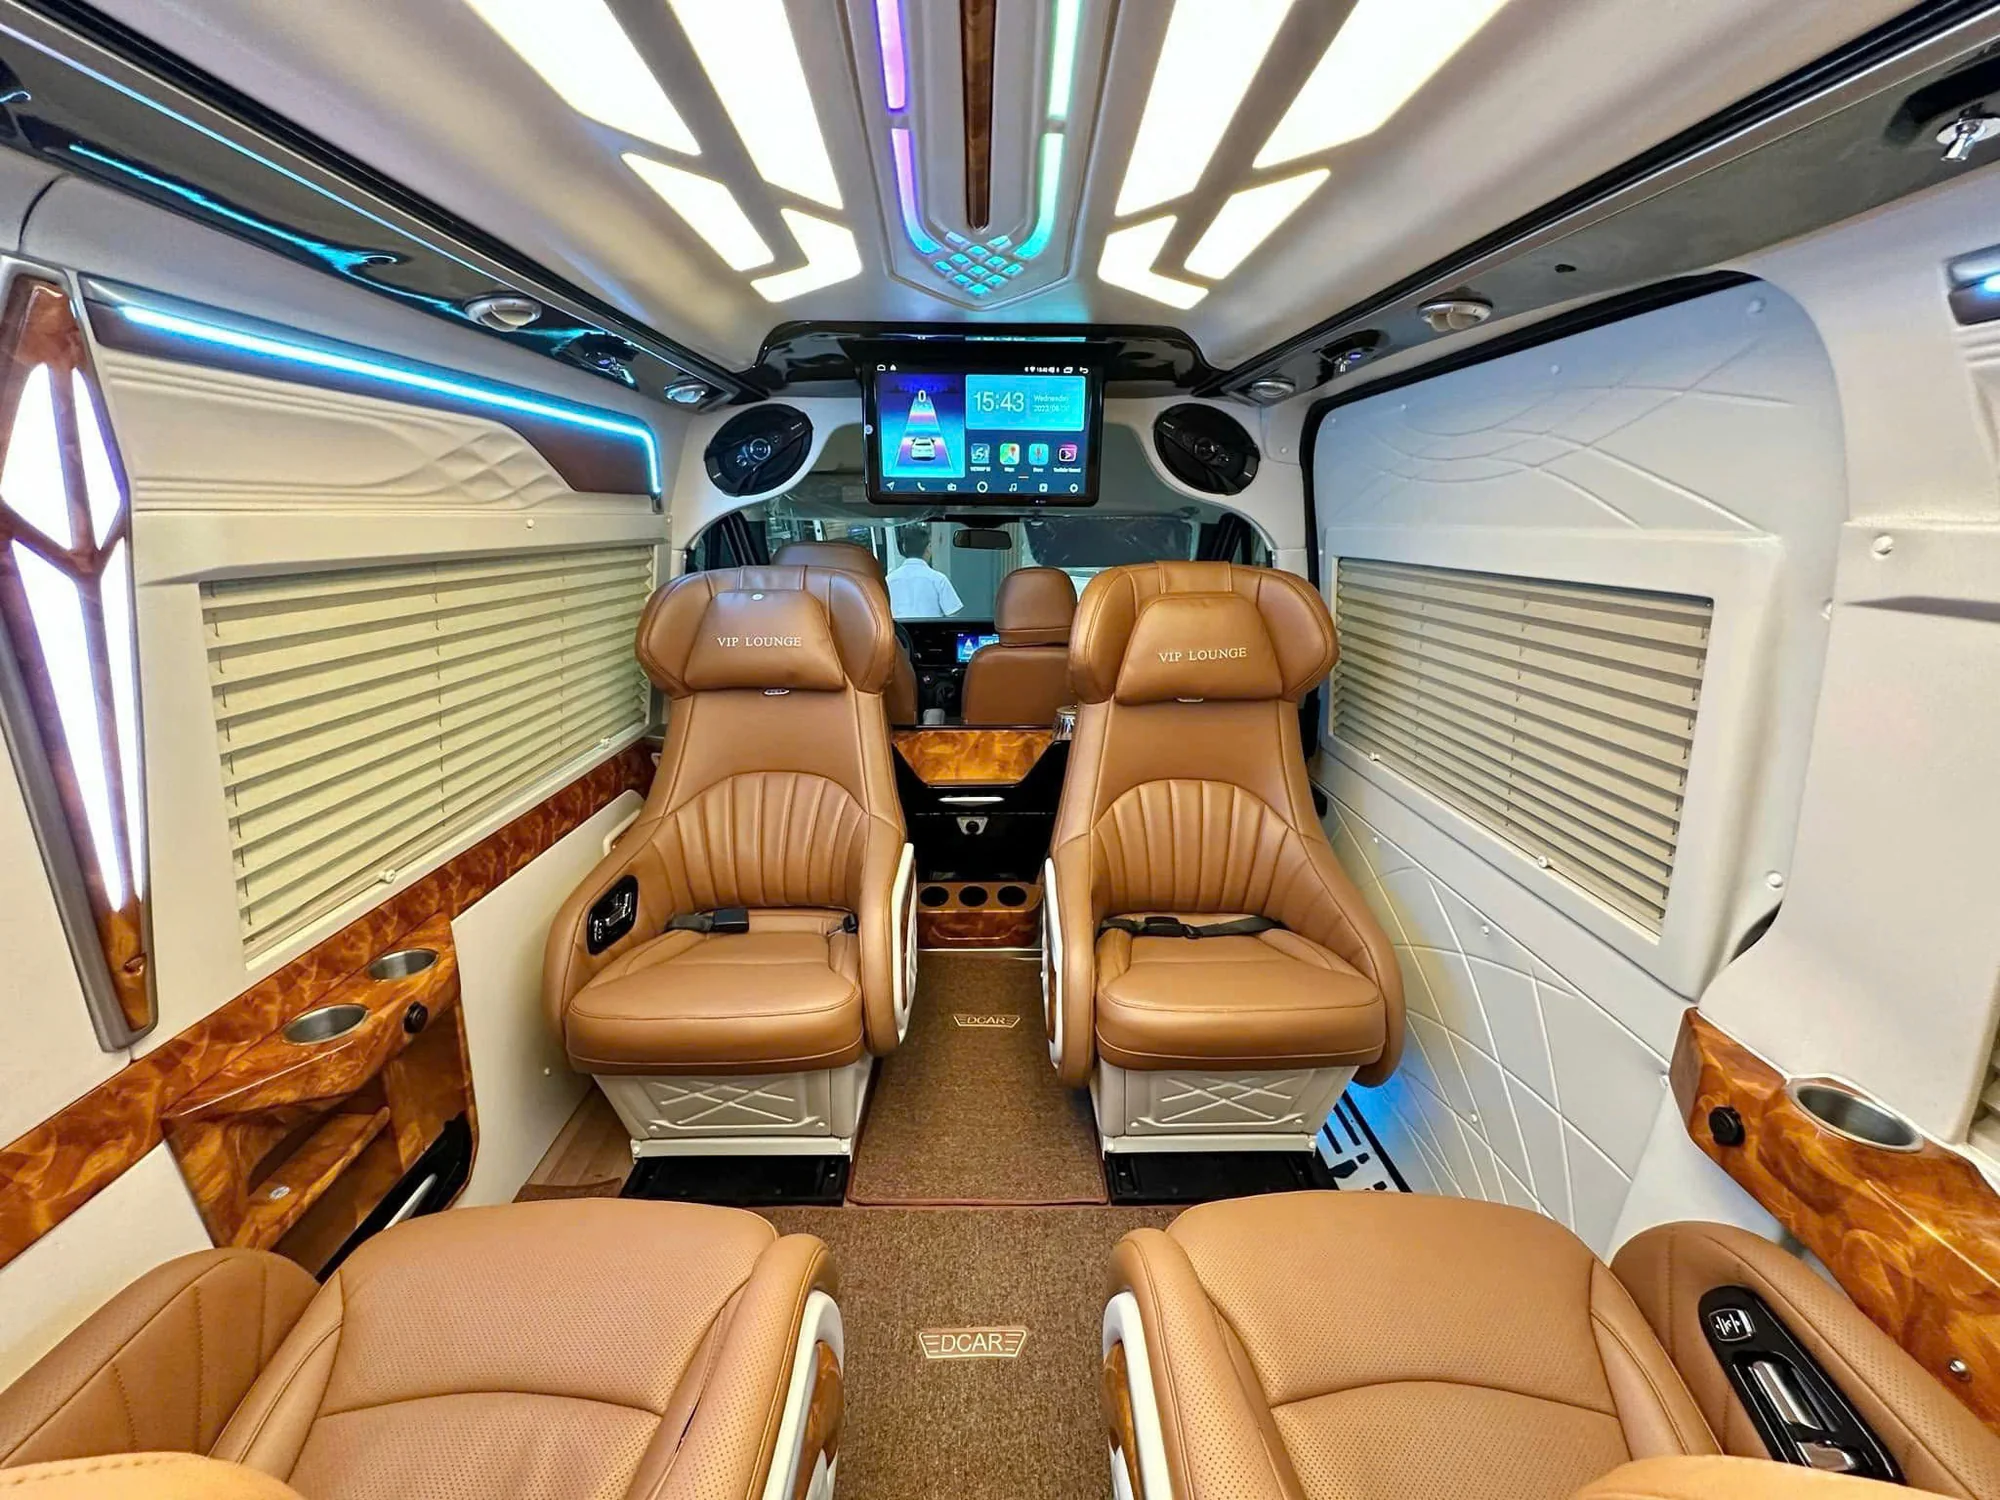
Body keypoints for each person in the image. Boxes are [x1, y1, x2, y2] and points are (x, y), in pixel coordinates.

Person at [885, 522, 963, 618]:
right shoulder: (938, 579)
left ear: (904, 547)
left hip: (899, 633)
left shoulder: (889, 580)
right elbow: (953, 612)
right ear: (929, 547)